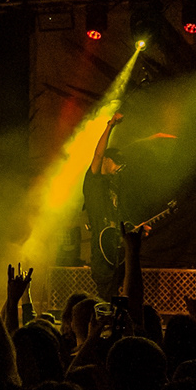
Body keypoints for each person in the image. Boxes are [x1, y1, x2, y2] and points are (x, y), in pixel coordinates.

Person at [83, 111, 125, 296]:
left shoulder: (113, 186)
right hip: (101, 251)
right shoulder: (93, 180)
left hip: (115, 250)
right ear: (106, 161)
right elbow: (98, 154)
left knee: (118, 295)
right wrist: (110, 125)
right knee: (105, 294)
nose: (119, 168)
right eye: (116, 163)